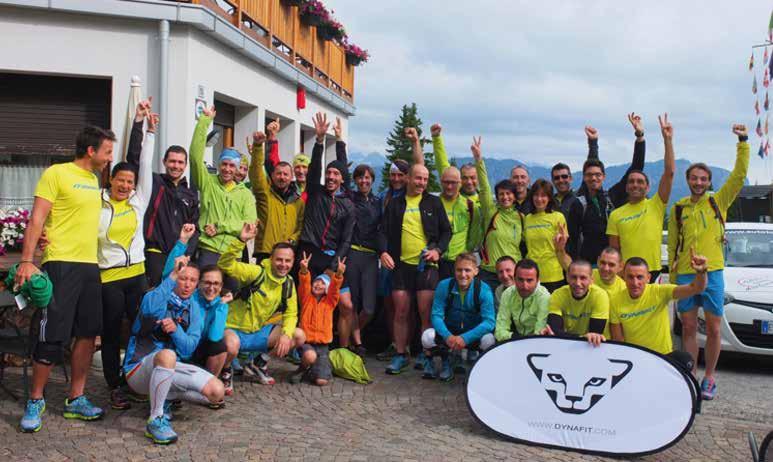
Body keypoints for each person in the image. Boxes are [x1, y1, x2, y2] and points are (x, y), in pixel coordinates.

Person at [18, 125, 115, 433]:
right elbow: (37, 218)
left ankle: (76, 398)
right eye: (107, 152)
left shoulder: (94, 180)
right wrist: (26, 260)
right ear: (91, 150)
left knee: (87, 333)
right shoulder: (56, 174)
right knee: (52, 333)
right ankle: (36, 399)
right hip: (60, 263)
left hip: (90, 266)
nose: (110, 158)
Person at [667, 123, 750, 400]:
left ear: (709, 182)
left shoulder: (719, 202)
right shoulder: (678, 208)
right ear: (688, 180)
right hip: (686, 275)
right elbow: (673, 244)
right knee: (689, 328)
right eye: (694, 178)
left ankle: (710, 377)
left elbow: (739, 176)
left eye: (703, 179)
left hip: (713, 272)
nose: (699, 183)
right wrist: (673, 277)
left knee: (714, 329)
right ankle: (691, 376)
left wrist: (743, 141)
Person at [123, 257, 225, 444]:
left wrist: (176, 330)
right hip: (137, 369)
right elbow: (150, 309)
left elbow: (188, 349)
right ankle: (156, 419)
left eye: (192, 280)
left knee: (217, 391)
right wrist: (172, 276)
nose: (187, 284)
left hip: (169, 367)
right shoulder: (157, 296)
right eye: (183, 278)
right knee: (168, 355)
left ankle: (167, 397)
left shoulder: (194, 309)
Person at [97, 101, 156, 410]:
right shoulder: (97, 202)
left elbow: (143, 163)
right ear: (111, 179)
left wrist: (148, 130)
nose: (125, 184)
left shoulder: (138, 201)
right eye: (120, 179)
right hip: (109, 279)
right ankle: (115, 385)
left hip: (136, 276)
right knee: (110, 334)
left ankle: (138, 379)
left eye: (130, 181)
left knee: (140, 329)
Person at [378, 162, 451, 374]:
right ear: (408, 178)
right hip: (400, 266)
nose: (422, 183)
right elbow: (382, 231)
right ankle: (401, 354)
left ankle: (427, 356)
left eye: (426, 179)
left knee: (425, 314)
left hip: (426, 266)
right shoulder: (395, 203)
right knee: (400, 312)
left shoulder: (433, 202)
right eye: (418, 178)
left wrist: (438, 250)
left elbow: (446, 232)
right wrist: (383, 252)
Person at [127, 99, 199, 288]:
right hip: (154, 252)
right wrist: (139, 122)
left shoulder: (191, 195)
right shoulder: (153, 182)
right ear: (164, 162)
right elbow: (134, 159)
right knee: (154, 293)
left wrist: (187, 253)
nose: (176, 166)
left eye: (180, 162)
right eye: (172, 161)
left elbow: (195, 228)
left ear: (185, 165)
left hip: (179, 253)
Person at [220, 223, 298, 386]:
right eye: (279, 259)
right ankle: (226, 370)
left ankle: (258, 363)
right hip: (233, 330)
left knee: (297, 335)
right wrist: (240, 240)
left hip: (256, 333)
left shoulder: (289, 283)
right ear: (271, 259)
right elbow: (225, 265)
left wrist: (286, 335)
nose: (283, 264)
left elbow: (291, 314)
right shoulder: (256, 272)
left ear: (292, 262)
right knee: (232, 345)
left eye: (288, 261)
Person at [190, 106, 257, 293]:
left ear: (237, 169)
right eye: (224, 164)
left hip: (232, 252)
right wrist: (204, 122)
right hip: (208, 250)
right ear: (219, 165)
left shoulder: (245, 194)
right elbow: (195, 157)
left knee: (230, 296)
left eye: (232, 166)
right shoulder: (208, 182)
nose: (227, 169)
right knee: (205, 294)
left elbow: (250, 225)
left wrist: (220, 227)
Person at [567, 113, 647, 264]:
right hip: (589, 264)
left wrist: (640, 137)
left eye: (598, 175)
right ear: (584, 177)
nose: (593, 178)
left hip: (614, 264)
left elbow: (636, 167)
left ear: (603, 176)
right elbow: (573, 238)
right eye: (589, 175)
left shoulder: (612, 196)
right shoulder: (579, 204)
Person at [610, 253, 708, 374]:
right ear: (623, 277)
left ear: (648, 278)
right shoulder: (615, 301)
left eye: (640, 277)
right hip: (635, 359)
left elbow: (695, 288)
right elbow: (619, 341)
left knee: (685, 360)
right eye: (630, 277)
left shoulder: (659, 292)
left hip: (663, 358)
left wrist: (701, 272)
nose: (635, 283)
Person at [162, 224, 231, 393]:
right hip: (180, 350)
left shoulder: (220, 304)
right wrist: (182, 241)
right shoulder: (189, 296)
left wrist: (221, 307)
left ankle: (206, 387)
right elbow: (170, 274)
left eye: (216, 284)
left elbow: (215, 337)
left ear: (221, 286)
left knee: (221, 346)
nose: (211, 288)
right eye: (207, 283)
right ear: (198, 284)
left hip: (199, 351)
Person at [608, 114, 675, 282]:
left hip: (653, 272)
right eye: (631, 182)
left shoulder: (656, 205)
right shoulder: (616, 215)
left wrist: (667, 140)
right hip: (627, 276)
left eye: (640, 182)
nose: (635, 185)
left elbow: (669, 173)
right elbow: (614, 250)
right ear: (626, 187)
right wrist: (619, 274)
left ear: (648, 187)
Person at [421, 253, 495, 382]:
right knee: (427, 336)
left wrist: (465, 338)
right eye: (459, 270)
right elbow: (436, 315)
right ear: (454, 270)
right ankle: (444, 361)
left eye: (467, 270)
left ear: (476, 271)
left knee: (489, 339)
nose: (463, 274)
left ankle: (480, 367)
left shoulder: (484, 289)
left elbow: (489, 322)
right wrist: (447, 336)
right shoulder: (444, 285)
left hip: (472, 332)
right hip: (450, 331)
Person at [297, 112, 354, 278]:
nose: (330, 177)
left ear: (342, 179)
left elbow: (346, 240)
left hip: (329, 258)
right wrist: (319, 141)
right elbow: (315, 168)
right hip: (307, 253)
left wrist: (334, 265)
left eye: (336, 174)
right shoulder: (316, 191)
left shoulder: (348, 204)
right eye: (328, 172)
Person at [423, 124, 481, 279]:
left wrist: (465, 252)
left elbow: (474, 236)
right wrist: (436, 138)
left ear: (459, 183)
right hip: (435, 259)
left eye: (454, 183)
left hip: (458, 261)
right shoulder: (434, 202)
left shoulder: (471, 206)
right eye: (446, 182)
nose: (449, 186)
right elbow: (443, 165)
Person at [472, 137, 525, 290]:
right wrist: (478, 159)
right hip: (490, 272)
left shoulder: (521, 218)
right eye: (501, 194)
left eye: (508, 193)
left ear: (514, 196)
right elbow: (484, 188)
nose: (505, 197)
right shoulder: (491, 212)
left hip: (513, 273)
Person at [339, 164, 381, 356]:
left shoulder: (378, 201)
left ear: (372, 180)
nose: (364, 181)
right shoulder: (349, 198)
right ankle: (356, 342)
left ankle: (352, 334)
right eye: (360, 177)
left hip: (371, 256)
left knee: (369, 308)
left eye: (367, 177)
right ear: (355, 180)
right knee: (353, 303)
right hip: (353, 253)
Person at [248, 127, 304, 262]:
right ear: (272, 175)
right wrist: (257, 147)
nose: (282, 177)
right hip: (266, 253)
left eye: (285, 174)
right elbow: (256, 173)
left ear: (291, 177)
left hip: (287, 255)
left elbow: (301, 226)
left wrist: (291, 241)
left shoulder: (298, 202)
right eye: (278, 173)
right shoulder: (265, 193)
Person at [289, 252, 346, 385]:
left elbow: (335, 289)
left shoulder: (330, 302)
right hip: (306, 342)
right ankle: (302, 369)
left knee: (321, 381)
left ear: (327, 288)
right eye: (316, 282)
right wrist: (304, 270)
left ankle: (315, 370)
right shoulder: (306, 298)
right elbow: (304, 283)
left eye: (323, 284)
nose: (318, 285)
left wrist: (338, 274)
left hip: (323, 345)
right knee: (309, 356)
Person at [374, 158, 410, 362]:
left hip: (406, 256)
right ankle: (394, 342)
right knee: (389, 303)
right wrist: (381, 251)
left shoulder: (411, 197)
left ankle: (407, 344)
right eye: (393, 175)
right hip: (387, 256)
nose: (396, 179)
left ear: (407, 177)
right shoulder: (383, 197)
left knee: (405, 304)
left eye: (400, 175)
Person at [542, 260, 609, 347]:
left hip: (593, 346)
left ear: (591, 279)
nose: (578, 283)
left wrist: (563, 335)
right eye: (574, 277)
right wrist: (582, 337)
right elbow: (554, 330)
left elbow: (595, 335)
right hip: (566, 344)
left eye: (583, 278)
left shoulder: (600, 296)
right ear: (567, 277)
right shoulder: (557, 295)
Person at [523, 179, 569, 293]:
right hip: (531, 275)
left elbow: (562, 246)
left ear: (549, 198)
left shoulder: (558, 217)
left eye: (543, 195)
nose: (539, 199)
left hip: (553, 274)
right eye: (536, 195)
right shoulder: (527, 218)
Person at [495, 259, 550, 340]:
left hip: (537, 342)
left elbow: (539, 334)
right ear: (514, 278)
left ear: (537, 280)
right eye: (520, 280)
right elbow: (499, 331)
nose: (525, 286)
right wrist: (515, 337)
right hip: (515, 339)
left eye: (529, 280)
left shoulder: (544, 297)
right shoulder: (507, 293)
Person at [431, 123, 479, 205]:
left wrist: (478, 158)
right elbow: (443, 166)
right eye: (465, 178)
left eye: (472, 178)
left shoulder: (484, 200)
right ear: (459, 180)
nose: (469, 182)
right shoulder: (453, 195)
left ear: (478, 179)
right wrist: (436, 138)